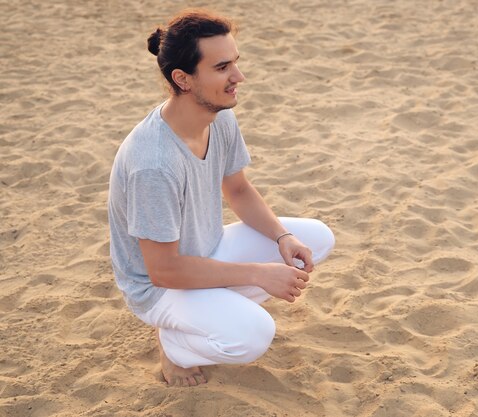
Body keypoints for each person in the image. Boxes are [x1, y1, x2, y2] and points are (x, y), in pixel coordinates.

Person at [107, 9, 335, 387]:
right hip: (160, 287)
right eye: (222, 67)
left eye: (236, 63)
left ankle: (213, 310)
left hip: (206, 250)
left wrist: (283, 238)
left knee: (316, 238)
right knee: (252, 336)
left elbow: (239, 190)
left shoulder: (218, 116)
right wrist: (258, 274)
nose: (238, 78)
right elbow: (163, 270)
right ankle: (176, 344)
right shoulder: (153, 164)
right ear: (182, 79)